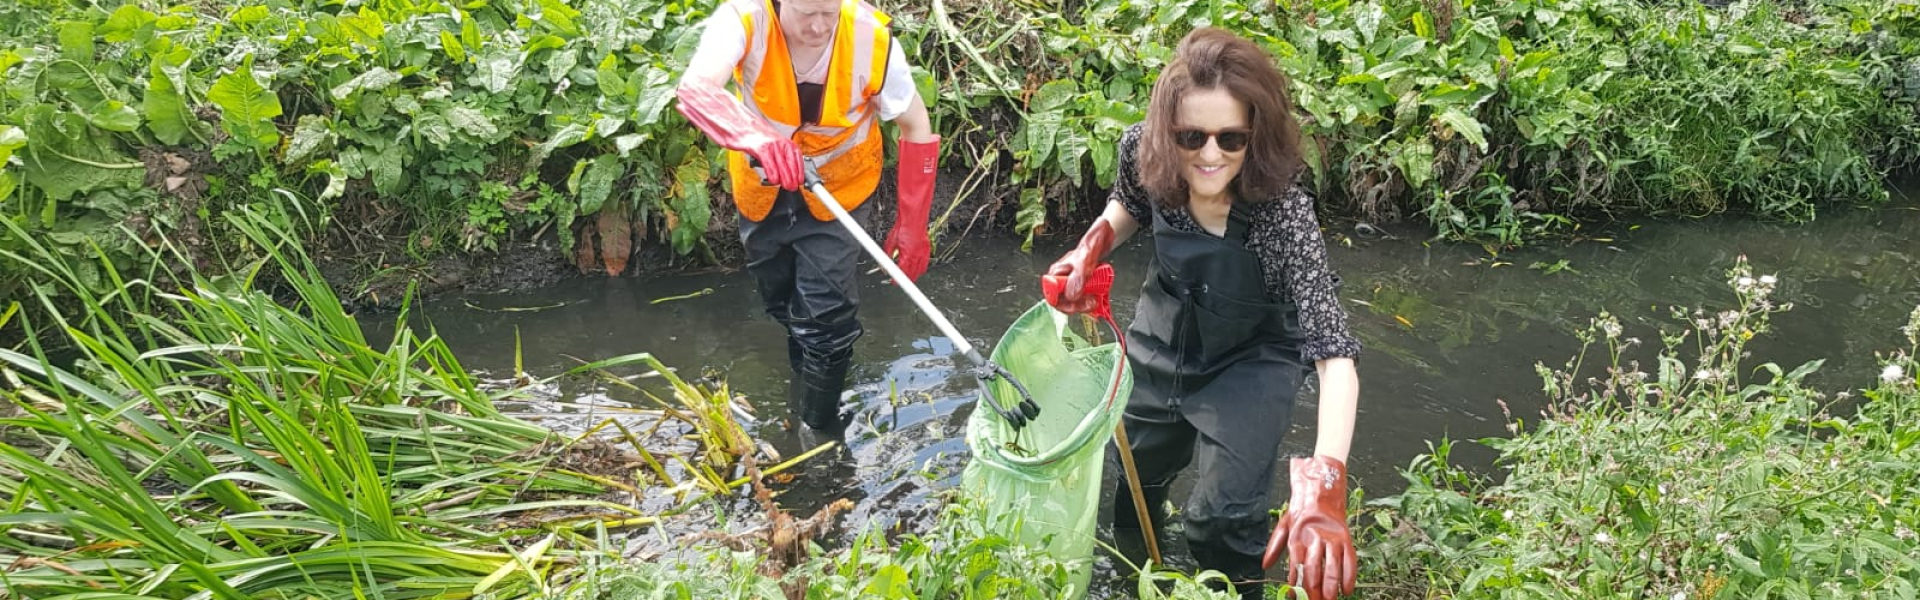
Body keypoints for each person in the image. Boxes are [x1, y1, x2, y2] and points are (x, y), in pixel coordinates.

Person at [1042, 28, 1361, 600]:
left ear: (1254, 136)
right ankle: (1140, 579)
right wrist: (1090, 247)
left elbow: (1334, 355)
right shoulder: (1143, 148)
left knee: (1219, 518)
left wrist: (1326, 481)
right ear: (1168, 132)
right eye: (1191, 136)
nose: (1210, 155)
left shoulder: (1283, 213)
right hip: (1162, 335)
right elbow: (1129, 204)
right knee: (1134, 478)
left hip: (1252, 358)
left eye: (1231, 139)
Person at [675, 0, 939, 435]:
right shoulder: (745, 18)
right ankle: (807, 376)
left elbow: (916, 124)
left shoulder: (871, 38)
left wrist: (912, 226)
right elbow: (696, 89)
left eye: (829, 14)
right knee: (781, 301)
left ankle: (819, 433)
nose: (818, 28)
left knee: (828, 314)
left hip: (840, 192)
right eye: (805, 14)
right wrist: (756, 139)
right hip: (764, 189)